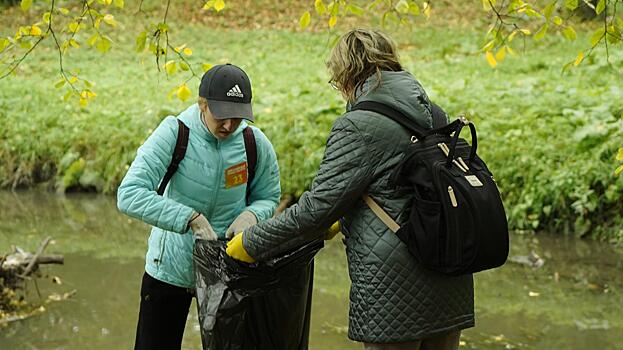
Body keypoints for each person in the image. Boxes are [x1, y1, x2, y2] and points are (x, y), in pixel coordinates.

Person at [226, 29, 474, 350]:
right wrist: (341, 219)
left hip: (394, 294)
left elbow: (316, 208)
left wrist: (250, 244)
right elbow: (400, 191)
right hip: (450, 279)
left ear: (347, 74)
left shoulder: (359, 124)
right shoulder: (432, 111)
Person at [117, 63, 281, 350]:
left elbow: (268, 196)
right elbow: (129, 194)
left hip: (227, 271)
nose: (229, 125)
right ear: (202, 104)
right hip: (170, 271)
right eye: (221, 116)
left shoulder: (254, 143)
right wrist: (189, 217)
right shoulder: (174, 133)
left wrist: (252, 214)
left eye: (237, 117)